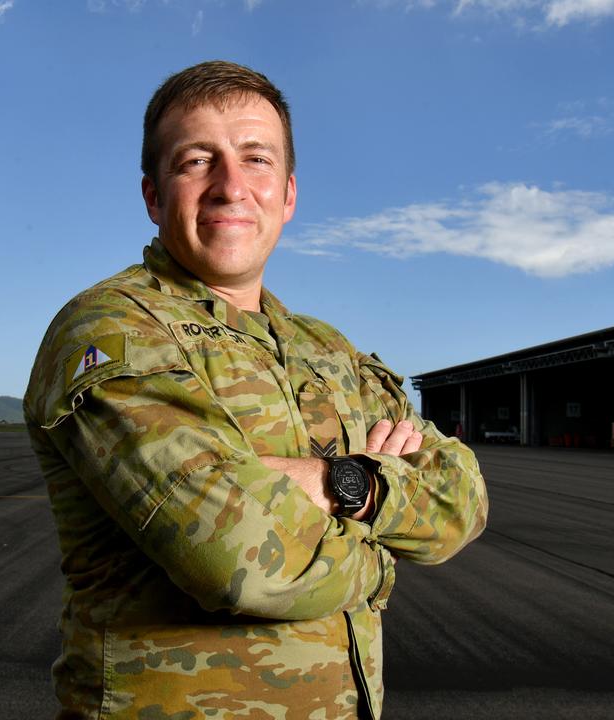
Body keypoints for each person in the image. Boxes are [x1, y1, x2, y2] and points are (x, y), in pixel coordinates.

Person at [24, 60, 488, 719]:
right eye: (196, 161)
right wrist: (382, 556)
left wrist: (331, 483)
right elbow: (236, 558)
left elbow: (460, 497)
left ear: (289, 194)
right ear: (154, 197)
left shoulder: (326, 348)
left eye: (256, 158)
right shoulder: (113, 330)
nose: (231, 186)